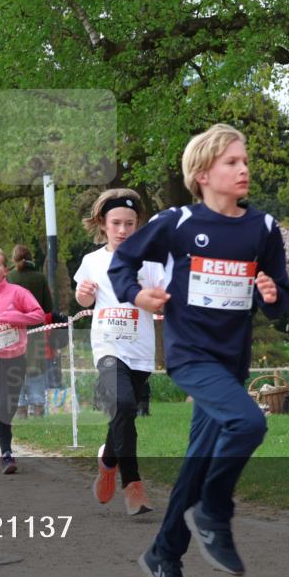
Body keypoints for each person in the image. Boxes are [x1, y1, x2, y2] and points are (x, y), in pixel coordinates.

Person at [109, 124, 289, 577]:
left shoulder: (263, 228)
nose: (244, 168)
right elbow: (121, 264)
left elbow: (281, 300)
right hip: (190, 356)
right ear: (203, 173)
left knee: (195, 464)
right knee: (249, 423)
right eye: (232, 162)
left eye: (244, 159)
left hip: (232, 362)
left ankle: (163, 554)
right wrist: (137, 296)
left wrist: (271, 296)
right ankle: (214, 511)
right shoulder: (177, 223)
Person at [75, 188, 164, 516]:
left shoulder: (149, 260)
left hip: (139, 348)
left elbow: (163, 291)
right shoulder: (91, 261)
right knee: (123, 405)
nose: (123, 230)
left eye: (129, 223)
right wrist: (83, 293)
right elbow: (83, 301)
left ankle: (108, 460)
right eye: (116, 223)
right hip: (108, 347)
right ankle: (133, 487)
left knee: (124, 413)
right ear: (103, 223)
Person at [0, 247, 45, 474]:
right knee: (0, 402)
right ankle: (6, 454)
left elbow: (39, 314)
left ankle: (6, 445)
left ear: (6, 270)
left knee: (10, 404)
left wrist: (16, 317)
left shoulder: (17, 292)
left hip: (15, 356)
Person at [7, 244, 54, 418]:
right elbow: (48, 307)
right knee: (36, 370)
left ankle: (20, 409)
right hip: (36, 330)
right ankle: (37, 408)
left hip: (14, 333)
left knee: (16, 370)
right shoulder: (40, 278)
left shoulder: (9, 278)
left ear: (14, 259)